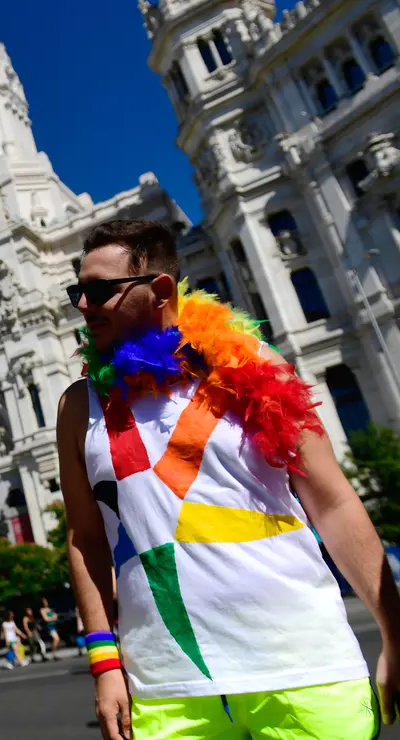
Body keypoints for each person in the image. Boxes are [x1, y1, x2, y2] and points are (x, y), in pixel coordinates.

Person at [58, 219, 400, 739]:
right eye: (76, 291)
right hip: (168, 692)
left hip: (305, 671)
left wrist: (394, 632)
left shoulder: (251, 364)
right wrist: (105, 666)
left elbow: (333, 503)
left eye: (100, 291)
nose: (83, 305)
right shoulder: (77, 405)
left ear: (160, 290)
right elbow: (86, 540)